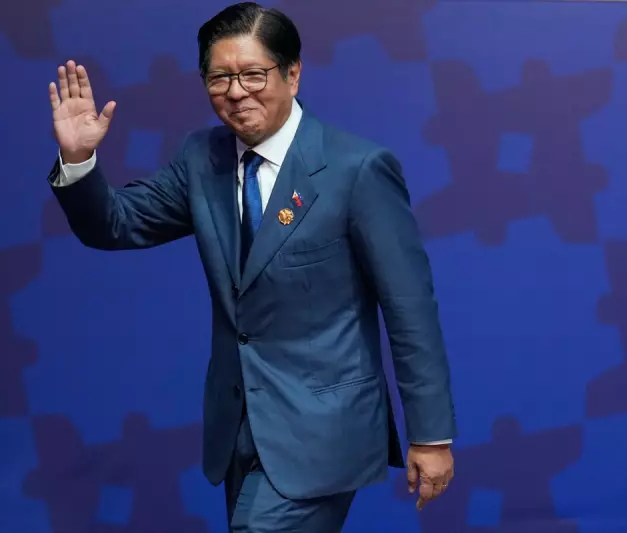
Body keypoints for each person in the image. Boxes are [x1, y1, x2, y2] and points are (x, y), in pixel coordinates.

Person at [46, 2, 457, 531]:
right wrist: (78, 160)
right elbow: (116, 225)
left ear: (293, 73)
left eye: (253, 75)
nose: (236, 92)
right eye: (219, 78)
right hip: (238, 427)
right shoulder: (203, 158)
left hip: (323, 430)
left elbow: (410, 309)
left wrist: (431, 435)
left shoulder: (356, 169)